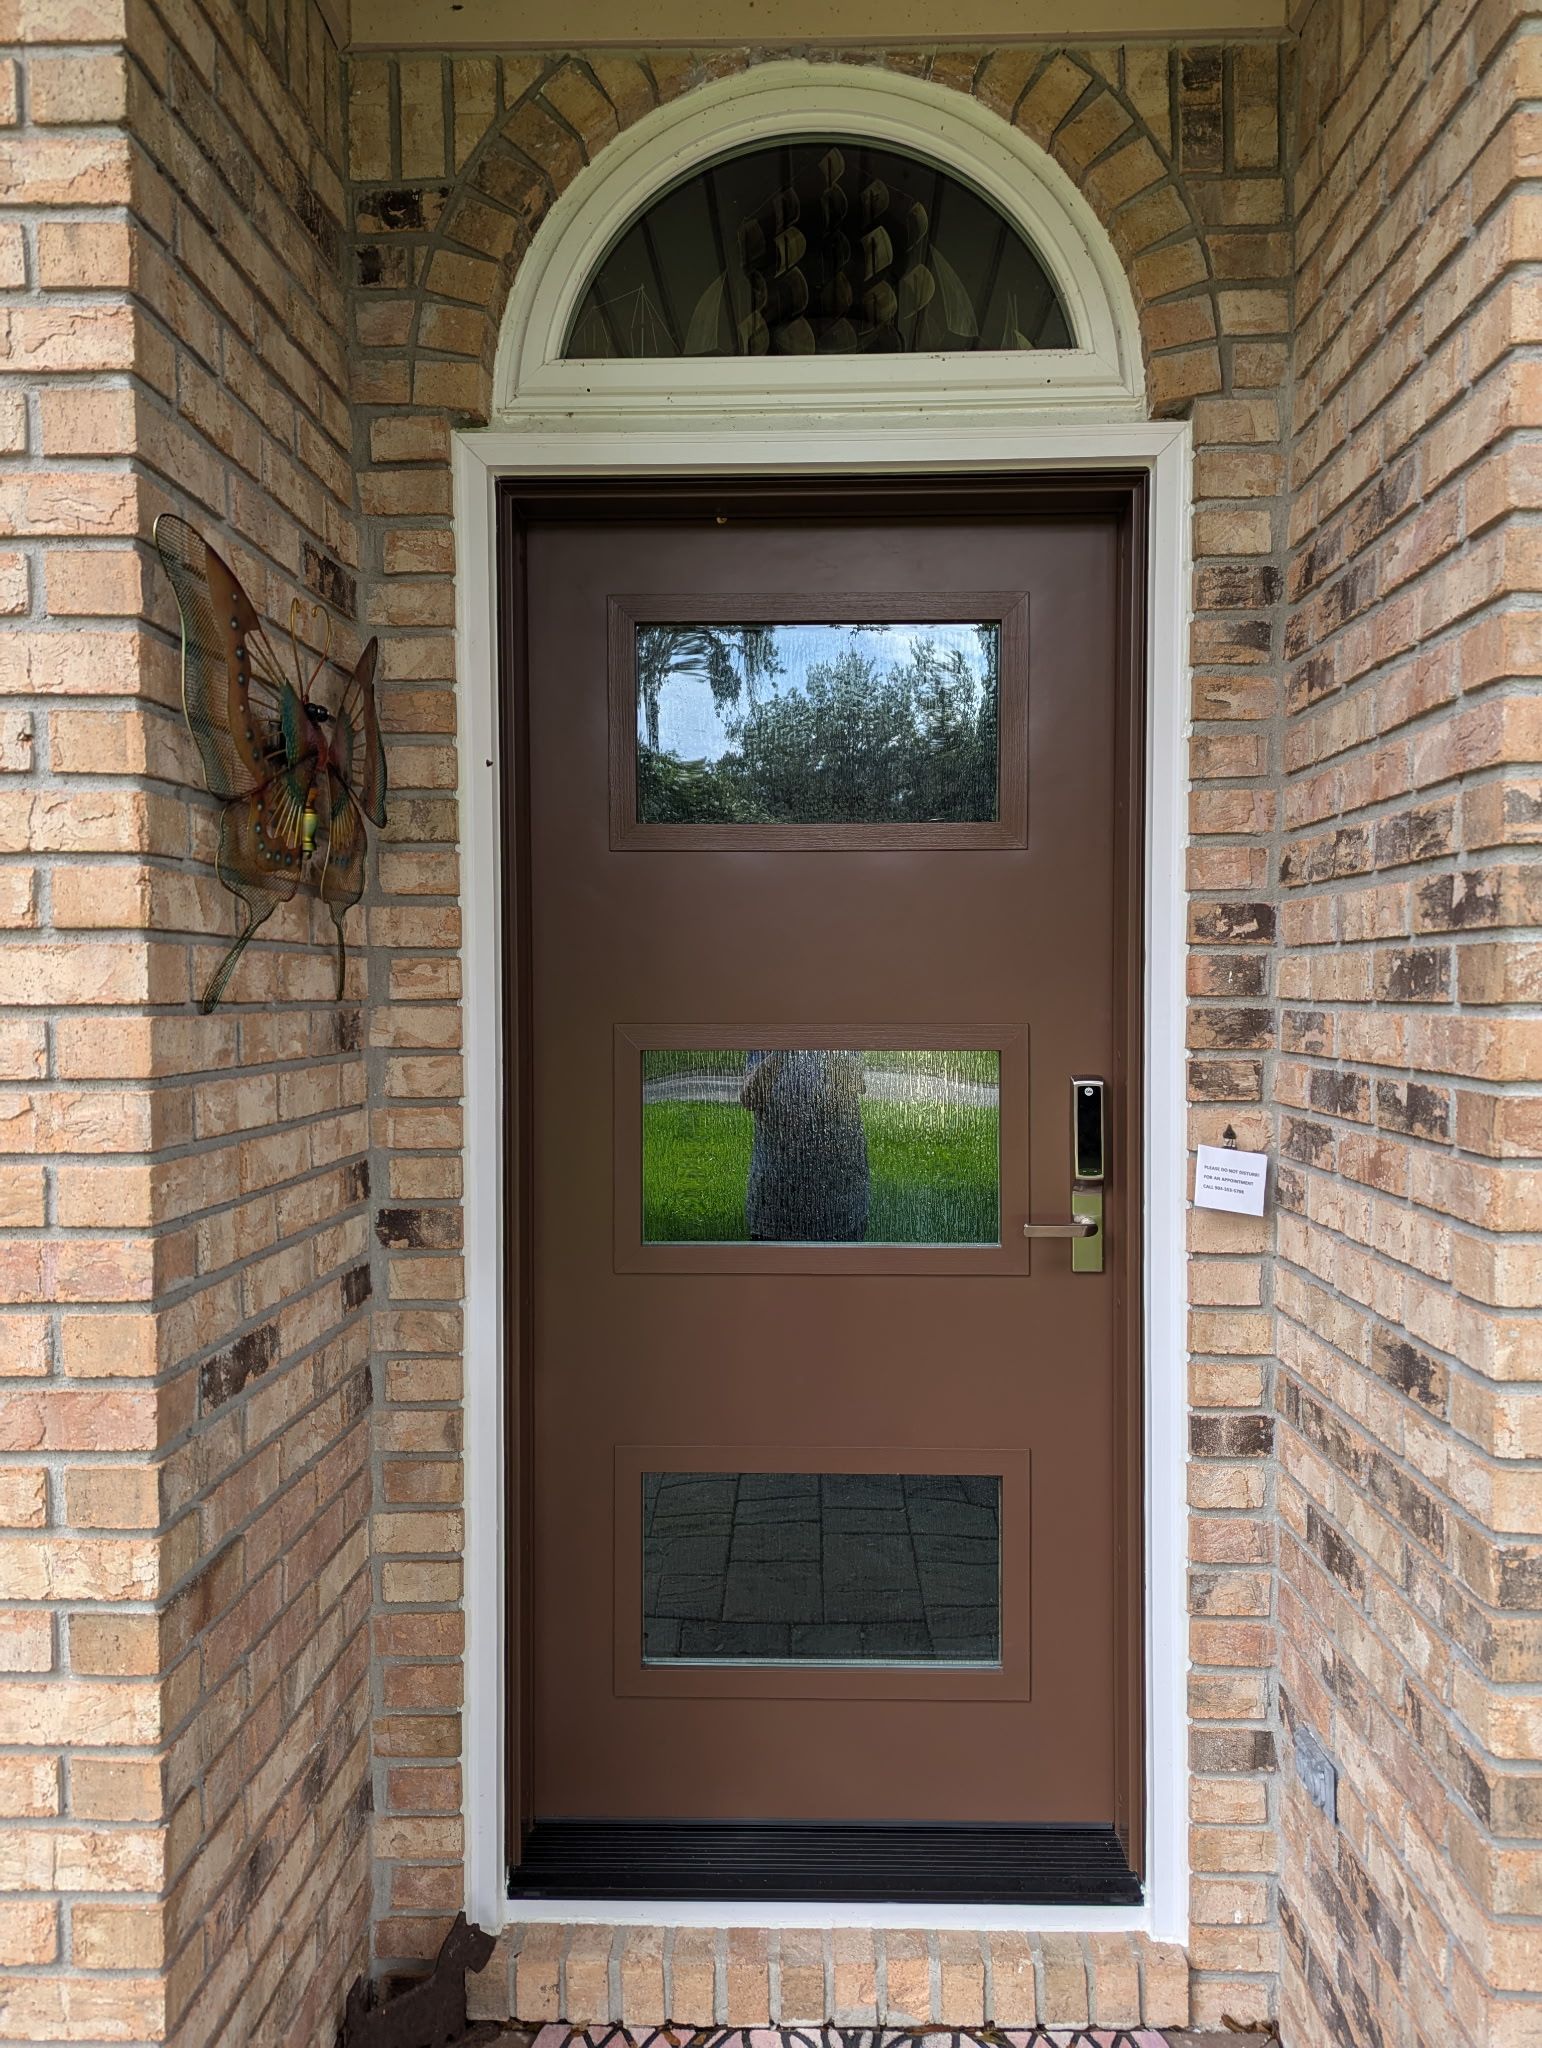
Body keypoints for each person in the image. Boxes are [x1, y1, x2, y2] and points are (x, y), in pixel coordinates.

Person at [741, 1049, 870, 1241]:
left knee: (840, 1269)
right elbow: (749, 1098)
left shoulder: (838, 1028)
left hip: (840, 1202)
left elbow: (856, 1083)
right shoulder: (768, 1032)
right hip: (775, 1203)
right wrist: (784, 1049)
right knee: (775, 1270)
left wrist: (825, 1042)